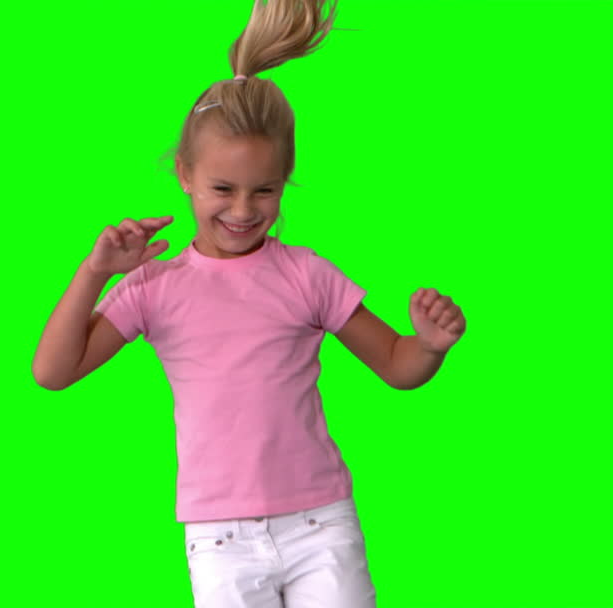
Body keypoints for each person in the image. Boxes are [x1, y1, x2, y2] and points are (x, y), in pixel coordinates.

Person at [32, 0, 467, 605]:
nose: (242, 210)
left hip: (320, 524)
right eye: (222, 188)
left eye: (264, 190)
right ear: (184, 174)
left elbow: (397, 365)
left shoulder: (306, 274)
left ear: (286, 180)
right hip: (220, 539)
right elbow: (53, 371)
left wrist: (429, 345)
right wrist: (94, 273)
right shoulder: (153, 285)